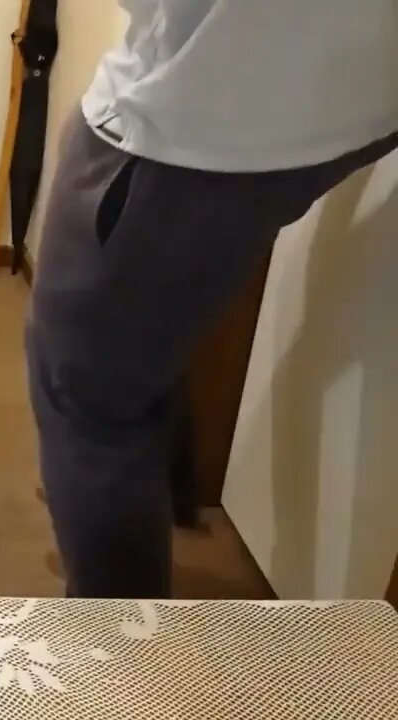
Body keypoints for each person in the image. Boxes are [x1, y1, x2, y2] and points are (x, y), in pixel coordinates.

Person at [26, 0, 398, 598]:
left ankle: (117, 654)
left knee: (87, 395)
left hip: (199, 105)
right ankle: (159, 495)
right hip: (364, 91)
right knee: (145, 326)